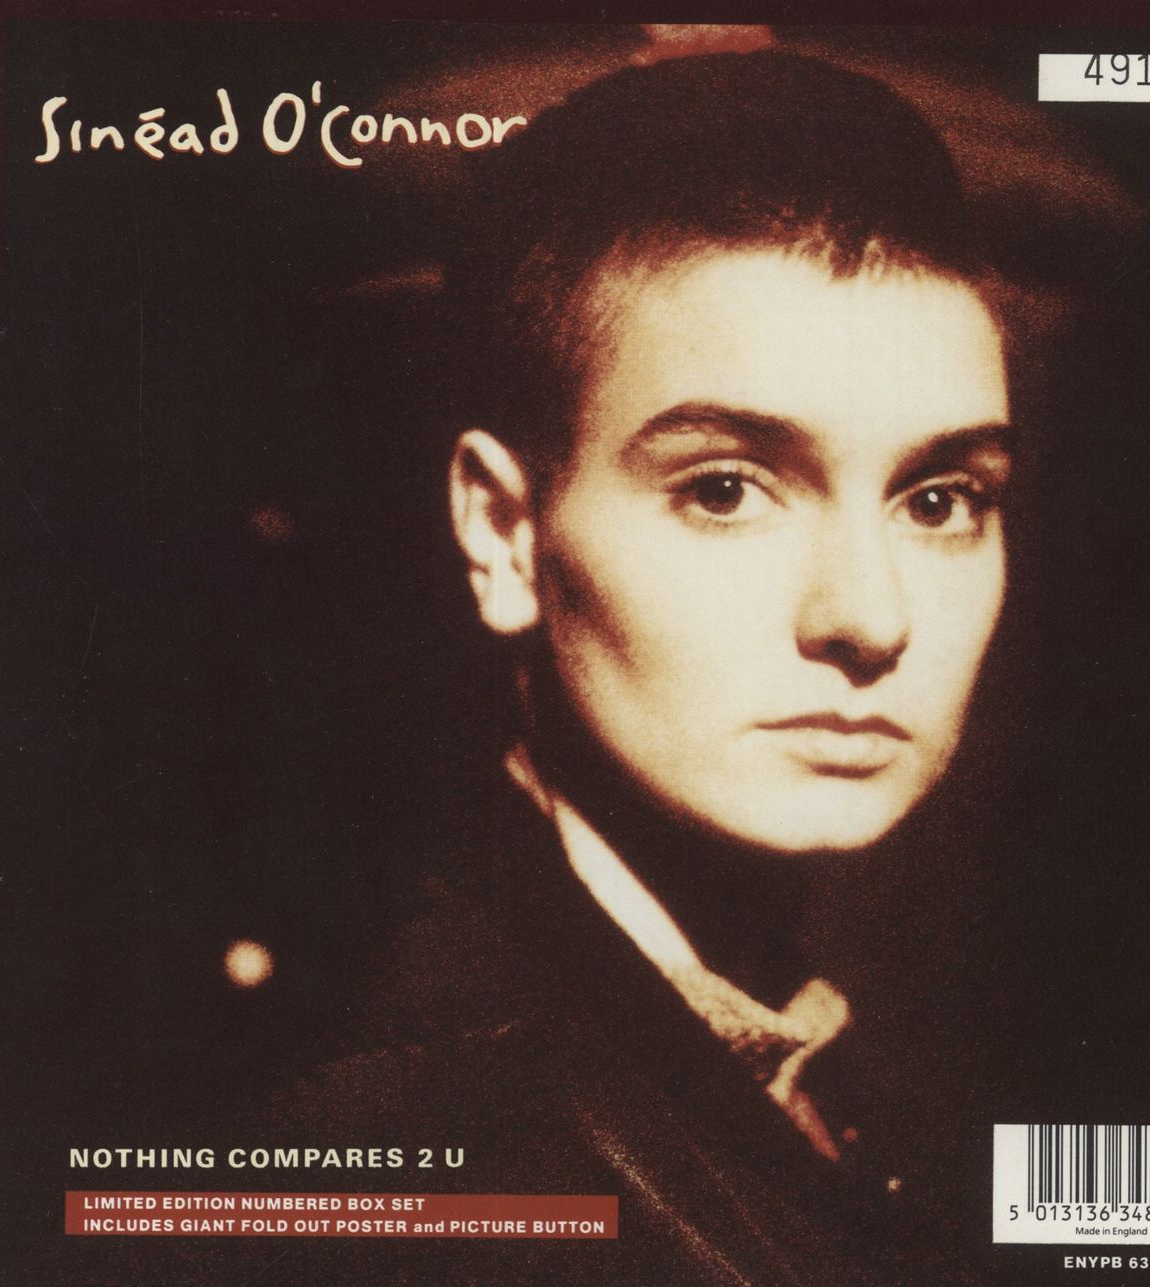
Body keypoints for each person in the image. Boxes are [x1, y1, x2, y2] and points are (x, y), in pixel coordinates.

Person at [280, 50, 1019, 1286]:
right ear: (504, 534)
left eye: (938, 500)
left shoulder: (826, 1054)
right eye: (723, 489)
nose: (869, 616)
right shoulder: (422, 1158)